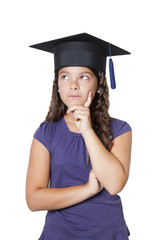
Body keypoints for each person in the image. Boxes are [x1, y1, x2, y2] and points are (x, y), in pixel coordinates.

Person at [26, 33, 132, 240]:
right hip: (59, 234)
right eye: (65, 76)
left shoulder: (120, 129)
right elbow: (34, 199)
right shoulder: (46, 132)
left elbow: (114, 184)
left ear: (99, 85)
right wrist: (88, 189)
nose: (73, 84)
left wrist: (87, 130)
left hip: (107, 233)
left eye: (84, 76)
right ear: (57, 84)